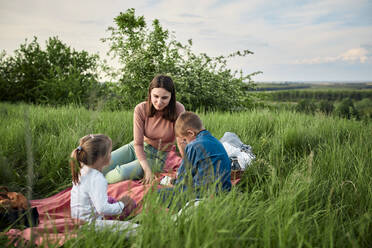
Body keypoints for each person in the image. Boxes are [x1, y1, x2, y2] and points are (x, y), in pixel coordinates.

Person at [103, 75, 185, 184]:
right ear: (150, 93)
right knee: (102, 163)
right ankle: (87, 183)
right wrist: (146, 170)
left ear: (171, 96)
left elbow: (182, 140)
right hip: (136, 148)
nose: (159, 102)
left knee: (120, 173)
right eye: (155, 96)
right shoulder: (140, 109)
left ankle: (97, 183)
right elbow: (138, 144)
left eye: (164, 98)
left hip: (157, 157)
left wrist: (186, 164)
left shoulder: (179, 110)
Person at [158, 112, 231, 206]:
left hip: (201, 195)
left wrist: (171, 181)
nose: (185, 142)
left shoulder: (193, 145)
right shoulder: (217, 142)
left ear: (190, 133)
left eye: (184, 139)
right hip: (223, 191)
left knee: (159, 194)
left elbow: (182, 180)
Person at [70, 134, 138, 232]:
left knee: (111, 202)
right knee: (136, 230)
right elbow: (102, 208)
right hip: (91, 226)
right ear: (101, 158)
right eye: (109, 153)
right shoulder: (97, 178)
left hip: (79, 220)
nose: (111, 155)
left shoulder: (82, 169)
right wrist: (121, 204)